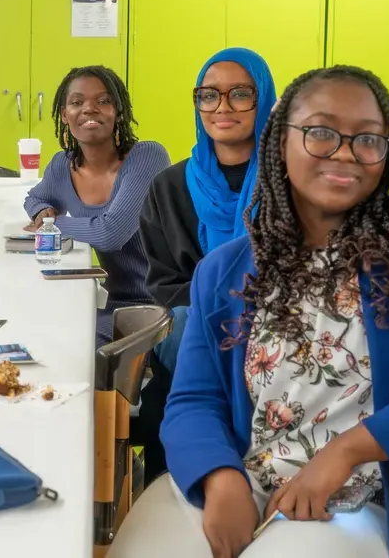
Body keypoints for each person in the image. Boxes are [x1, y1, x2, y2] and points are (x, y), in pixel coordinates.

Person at [111, 65, 389, 558]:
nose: (346, 153)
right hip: (242, 480)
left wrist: (348, 449)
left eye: (368, 139)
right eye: (321, 132)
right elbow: (193, 401)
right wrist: (221, 480)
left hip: (362, 501)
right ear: (279, 141)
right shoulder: (225, 270)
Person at [136, 48, 277, 486]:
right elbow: (162, 283)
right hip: (192, 321)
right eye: (209, 95)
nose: (222, 108)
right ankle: (207, 461)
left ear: (265, 99)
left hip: (273, 317)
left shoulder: (288, 181)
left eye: (240, 94)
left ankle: (256, 462)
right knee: (182, 326)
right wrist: (221, 313)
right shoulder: (170, 186)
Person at [24, 65, 170, 346]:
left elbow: (110, 233)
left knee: (62, 341)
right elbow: (34, 197)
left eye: (103, 101)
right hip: (116, 305)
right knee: (37, 323)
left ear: (118, 111)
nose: (89, 109)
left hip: (163, 308)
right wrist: (41, 211)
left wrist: (50, 225)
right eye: (77, 102)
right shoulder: (62, 165)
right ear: (65, 115)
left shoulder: (147, 157)